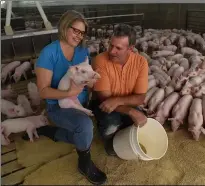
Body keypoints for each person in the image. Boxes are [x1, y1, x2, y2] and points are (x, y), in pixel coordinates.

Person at [22, 10, 107, 185]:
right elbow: (44, 91)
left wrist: (92, 80)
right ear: (64, 26)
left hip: (81, 102)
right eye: (75, 30)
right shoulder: (49, 53)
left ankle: (51, 131)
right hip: (59, 105)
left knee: (87, 130)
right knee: (85, 126)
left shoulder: (82, 51)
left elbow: (87, 79)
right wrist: (70, 93)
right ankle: (84, 163)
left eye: (82, 32)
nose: (78, 36)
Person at [90, 24, 149, 156]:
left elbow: (140, 97)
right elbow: (105, 99)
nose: (111, 51)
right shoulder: (100, 60)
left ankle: (126, 138)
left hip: (125, 102)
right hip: (102, 103)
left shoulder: (141, 62)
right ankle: (109, 143)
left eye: (118, 48)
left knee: (143, 122)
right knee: (112, 123)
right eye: (111, 45)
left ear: (131, 48)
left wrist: (119, 102)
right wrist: (131, 111)